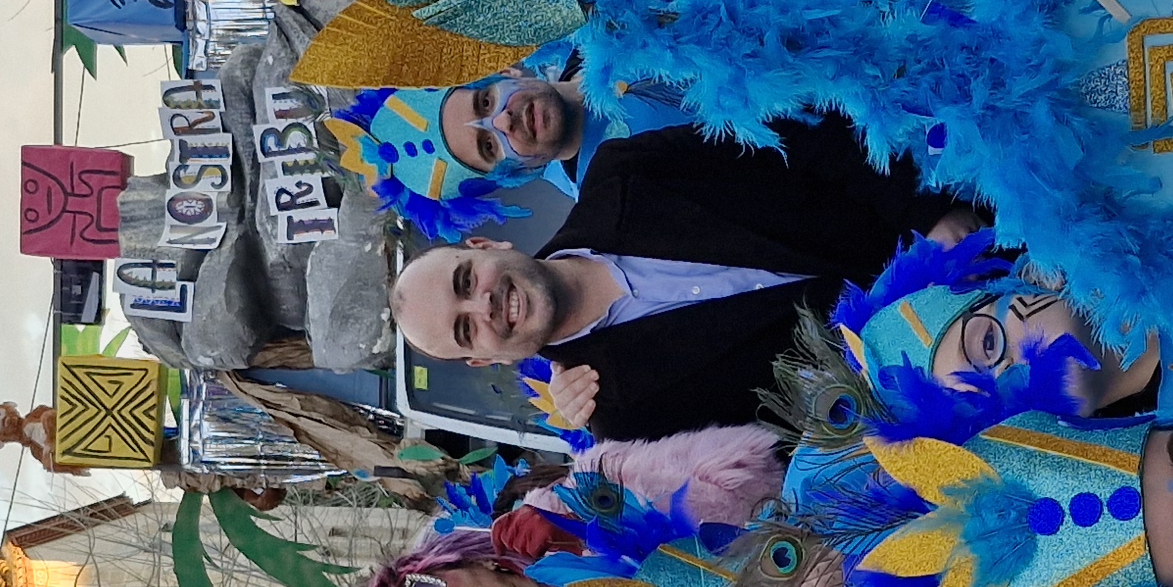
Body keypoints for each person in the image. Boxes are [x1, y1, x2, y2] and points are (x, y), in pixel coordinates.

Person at [391, 117, 984, 437]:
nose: (486, 306)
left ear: (484, 245)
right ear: (483, 360)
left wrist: (930, 216)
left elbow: (802, 137)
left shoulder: (625, 174)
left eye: (466, 282)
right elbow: (802, 444)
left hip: (978, 211)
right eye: (466, 330)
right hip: (972, 366)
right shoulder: (625, 419)